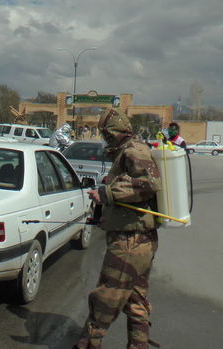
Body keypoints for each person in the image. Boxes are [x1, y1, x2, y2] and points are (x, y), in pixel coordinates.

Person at [75, 108, 162, 349]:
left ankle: (88, 344)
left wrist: (107, 193)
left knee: (106, 299)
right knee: (135, 300)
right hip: (136, 238)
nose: (104, 138)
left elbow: (149, 183)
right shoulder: (128, 150)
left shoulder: (134, 150)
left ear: (113, 132)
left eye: (106, 133)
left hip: (130, 240)